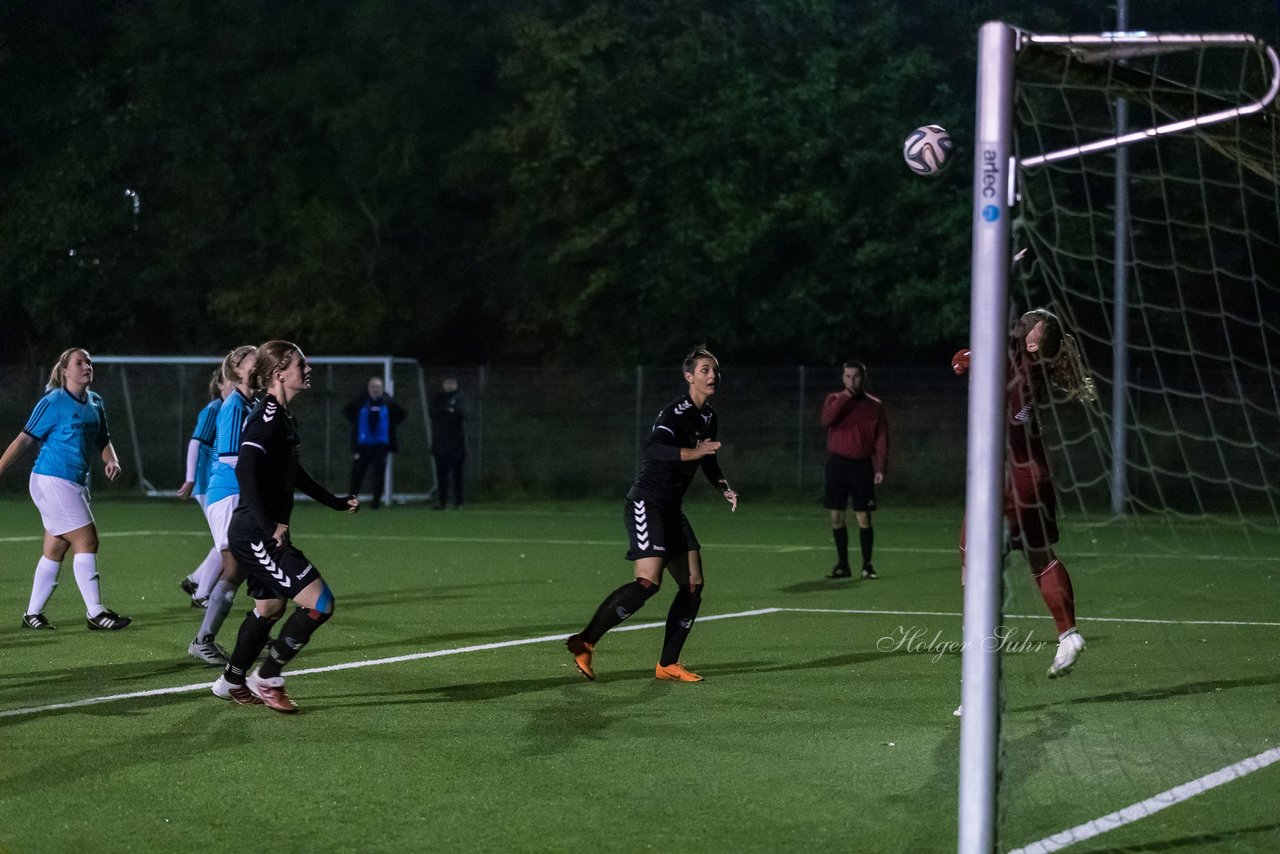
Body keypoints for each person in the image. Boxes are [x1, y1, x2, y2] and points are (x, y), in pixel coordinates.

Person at [565, 345, 738, 683]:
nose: (712, 375)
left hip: (672, 508)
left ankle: (667, 665)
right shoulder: (676, 411)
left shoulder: (709, 416)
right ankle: (584, 642)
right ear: (689, 377)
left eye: (714, 370)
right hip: (647, 502)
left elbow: (708, 459)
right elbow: (655, 449)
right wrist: (694, 451)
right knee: (647, 582)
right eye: (704, 370)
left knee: (692, 584)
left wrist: (723, 486)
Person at [211, 341, 359, 712]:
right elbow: (244, 467)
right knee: (320, 603)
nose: (307, 370)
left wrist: (336, 503)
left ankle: (231, 681)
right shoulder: (268, 416)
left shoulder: (285, 417)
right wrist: (268, 524)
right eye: (301, 365)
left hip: (256, 530)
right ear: (279, 374)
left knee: (270, 608)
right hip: (255, 532)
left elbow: (297, 476)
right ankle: (268, 676)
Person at [953, 308, 1097, 682]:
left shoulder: (1017, 358)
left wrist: (1005, 267)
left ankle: (978, 680)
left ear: (1034, 340)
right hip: (1035, 476)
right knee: (1040, 558)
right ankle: (1068, 633)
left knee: (974, 563)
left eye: (1029, 321)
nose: (1021, 320)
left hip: (1005, 482)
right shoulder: (1030, 366)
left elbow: (991, 323)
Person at [0, 348, 131, 630]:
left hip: (75, 483)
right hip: (51, 480)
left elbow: (103, 440)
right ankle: (96, 613)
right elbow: (24, 440)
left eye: (89, 362)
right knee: (87, 540)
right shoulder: (53, 402)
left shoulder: (96, 402)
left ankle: (32, 614)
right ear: (65, 372)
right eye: (79, 362)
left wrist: (113, 460)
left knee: (56, 547)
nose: (86, 366)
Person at [186, 345, 257, 665]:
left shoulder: (252, 403)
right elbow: (229, 456)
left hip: (241, 493)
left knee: (255, 563)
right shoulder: (233, 405)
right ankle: (202, 639)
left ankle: (259, 626)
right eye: (253, 362)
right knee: (235, 566)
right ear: (236, 370)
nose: (261, 366)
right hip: (227, 493)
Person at [820, 360, 889, 579]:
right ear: (843, 378)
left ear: (863, 378)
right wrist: (844, 398)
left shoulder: (874, 405)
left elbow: (881, 437)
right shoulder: (834, 400)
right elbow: (827, 420)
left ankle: (867, 566)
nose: (852, 380)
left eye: (856, 376)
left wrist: (880, 466)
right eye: (848, 376)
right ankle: (843, 565)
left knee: (864, 517)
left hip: (861, 466)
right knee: (836, 516)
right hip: (838, 464)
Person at [177, 369, 232, 608]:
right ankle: (201, 594)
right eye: (231, 380)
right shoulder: (215, 409)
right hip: (206, 481)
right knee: (226, 540)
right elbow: (195, 443)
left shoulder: (231, 407)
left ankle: (196, 580)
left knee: (225, 539)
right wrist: (191, 479)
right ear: (220, 385)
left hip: (214, 481)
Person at [343, 376, 406, 510]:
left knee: (379, 473)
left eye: (378, 386)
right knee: (357, 473)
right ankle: (352, 501)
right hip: (363, 444)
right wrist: (356, 424)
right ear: (368, 388)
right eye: (373, 386)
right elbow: (347, 410)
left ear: (382, 388)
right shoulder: (361, 401)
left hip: (380, 445)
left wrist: (391, 426)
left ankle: (375, 503)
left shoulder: (388, 402)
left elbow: (402, 414)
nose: (376, 389)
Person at [428, 376, 468, 509]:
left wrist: (448, 412)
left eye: (452, 383)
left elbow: (460, 414)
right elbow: (433, 413)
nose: (449, 386)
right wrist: (447, 409)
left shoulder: (461, 397)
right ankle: (441, 501)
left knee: (457, 475)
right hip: (440, 443)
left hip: (456, 444)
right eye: (447, 383)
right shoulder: (438, 397)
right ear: (443, 384)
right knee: (441, 475)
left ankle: (458, 502)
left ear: (456, 384)